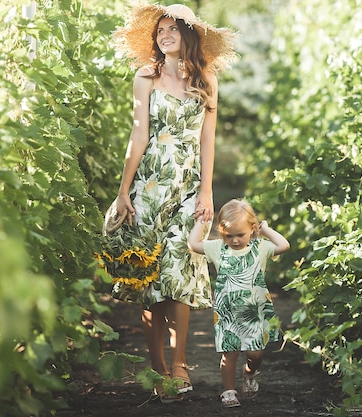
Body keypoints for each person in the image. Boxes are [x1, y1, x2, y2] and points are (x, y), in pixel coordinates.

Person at [110, 2, 236, 403]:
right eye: (160, 31)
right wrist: (123, 190)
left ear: (188, 36)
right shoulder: (144, 77)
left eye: (173, 30)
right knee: (150, 280)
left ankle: (180, 363)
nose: (164, 36)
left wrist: (207, 193)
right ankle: (157, 367)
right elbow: (138, 136)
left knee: (180, 267)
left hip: (188, 188)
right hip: (149, 187)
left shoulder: (207, 80)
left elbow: (206, 140)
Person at [188, 199, 290, 408]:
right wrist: (201, 221)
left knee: (256, 353)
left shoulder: (260, 247)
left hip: (254, 311)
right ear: (221, 232)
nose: (234, 240)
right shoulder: (218, 248)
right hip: (228, 312)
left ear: (252, 229)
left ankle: (250, 372)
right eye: (228, 235)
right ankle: (228, 391)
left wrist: (266, 230)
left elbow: (284, 245)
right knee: (229, 353)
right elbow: (193, 244)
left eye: (240, 235)